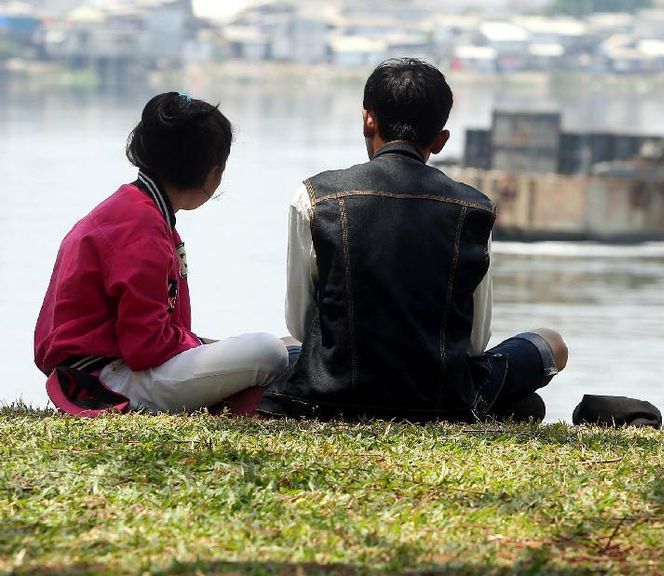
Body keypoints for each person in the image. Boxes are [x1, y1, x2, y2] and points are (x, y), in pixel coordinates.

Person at [260, 58, 568, 421]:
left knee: (285, 345)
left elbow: (300, 322)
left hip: (329, 396)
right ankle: (499, 405)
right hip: (445, 400)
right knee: (552, 343)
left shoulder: (314, 196)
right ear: (440, 140)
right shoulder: (475, 208)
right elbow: (474, 342)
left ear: (367, 119)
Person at [34, 92, 289, 415]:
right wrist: (200, 346)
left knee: (285, 346)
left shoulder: (135, 209)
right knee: (270, 352)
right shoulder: (141, 226)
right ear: (211, 171)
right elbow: (145, 348)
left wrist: (201, 345)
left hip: (105, 368)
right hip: (106, 381)